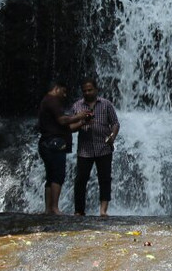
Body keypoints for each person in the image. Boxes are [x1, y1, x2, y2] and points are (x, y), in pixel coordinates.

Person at [36, 79, 91, 215]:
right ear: (57, 88)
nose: (65, 95)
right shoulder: (52, 100)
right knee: (57, 176)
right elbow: (63, 120)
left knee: (51, 176)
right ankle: (54, 208)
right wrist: (79, 115)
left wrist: (83, 121)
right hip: (54, 144)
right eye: (64, 91)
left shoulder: (47, 101)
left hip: (48, 143)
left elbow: (68, 128)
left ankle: (48, 209)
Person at [70, 77, 120, 216]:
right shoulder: (77, 106)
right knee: (80, 180)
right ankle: (79, 211)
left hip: (103, 147)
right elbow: (71, 127)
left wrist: (112, 136)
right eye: (84, 90)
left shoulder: (106, 105)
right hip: (84, 150)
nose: (87, 92)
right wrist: (82, 122)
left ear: (96, 89)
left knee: (105, 179)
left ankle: (103, 210)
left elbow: (115, 123)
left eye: (90, 90)